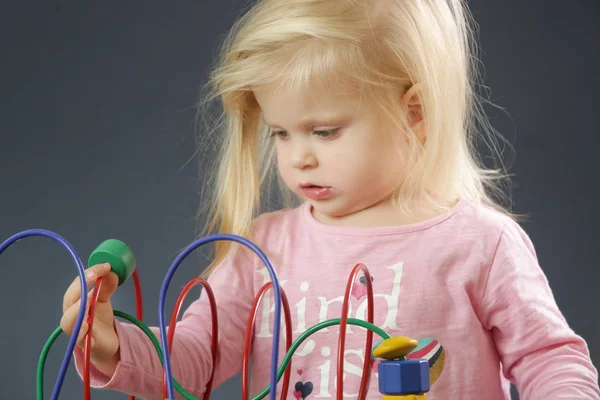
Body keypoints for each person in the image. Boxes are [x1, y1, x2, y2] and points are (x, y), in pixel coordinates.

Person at [60, 0, 600, 398]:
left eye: (324, 131)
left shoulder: (480, 244)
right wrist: (111, 342)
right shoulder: (263, 247)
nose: (299, 158)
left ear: (415, 112)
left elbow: (552, 362)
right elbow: (192, 358)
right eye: (281, 133)